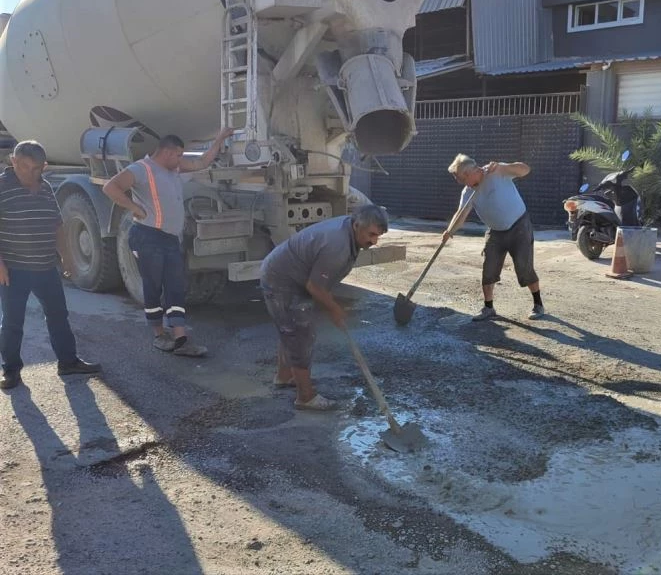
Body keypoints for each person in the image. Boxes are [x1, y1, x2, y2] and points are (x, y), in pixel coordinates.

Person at [102, 128, 233, 356]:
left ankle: (181, 340)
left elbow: (202, 162)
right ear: (167, 153)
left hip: (171, 239)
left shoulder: (174, 168)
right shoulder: (140, 169)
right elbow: (110, 187)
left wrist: (219, 138)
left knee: (176, 286)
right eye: (179, 155)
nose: (181, 160)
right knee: (153, 287)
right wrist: (133, 208)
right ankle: (159, 335)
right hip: (148, 237)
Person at [260, 205, 388, 411]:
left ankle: (284, 377)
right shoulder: (337, 245)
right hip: (282, 281)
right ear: (357, 225)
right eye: (371, 234)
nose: (374, 241)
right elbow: (315, 287)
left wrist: (331, 303)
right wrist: (334, 308)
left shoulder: (349, 232)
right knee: (301, 335)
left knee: (291, 330)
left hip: (287, 275)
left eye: (378, 236)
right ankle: (305, 396)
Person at [0, 141, 101, 389]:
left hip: (46, 267)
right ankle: (11, 371)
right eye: (25, 167)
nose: (31, 174)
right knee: (12, 322)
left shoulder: (45, 187)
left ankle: (68, 362)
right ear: (13, 161)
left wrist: (66, 256)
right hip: (13, 270)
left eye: (37, 169)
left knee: (58, 316)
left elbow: (57, 224)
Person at [444, 153, 545, 321]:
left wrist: (505, 167)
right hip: (495, 231)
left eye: (461, 178)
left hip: (519, 225)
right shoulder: (468, 191)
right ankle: (488, 308)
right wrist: (449, 231)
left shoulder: (496, 172)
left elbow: (525, 169)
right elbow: (460, 214)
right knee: (488, 269)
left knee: (524, 267)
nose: (460, 182)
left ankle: (538, 304)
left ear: (469, 173)